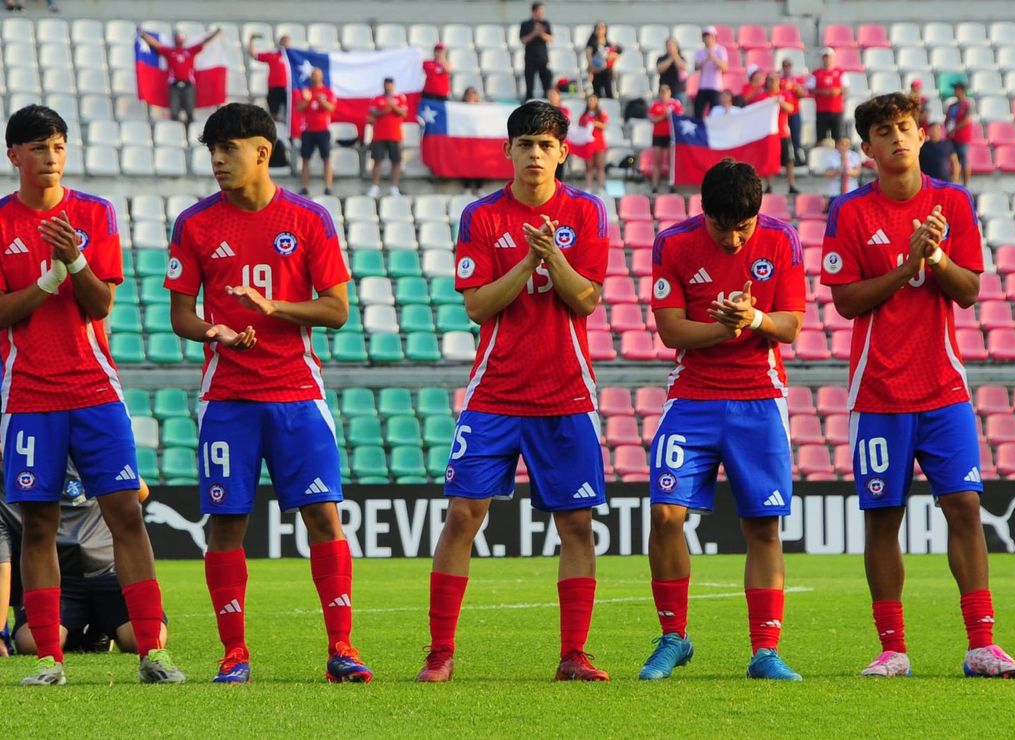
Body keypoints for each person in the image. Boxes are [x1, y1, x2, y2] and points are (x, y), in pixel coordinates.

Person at [164, 102, 372, 685]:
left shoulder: (309, 218)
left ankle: (342, 649)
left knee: (323, 517)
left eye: (228, 148)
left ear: (262, 151)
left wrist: (277, 307)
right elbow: (181, 314)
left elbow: (336, 309)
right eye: (212, 150)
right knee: (226, 524)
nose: (218, 160)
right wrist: (216, 330)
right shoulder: (195, 224)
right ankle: (234, 655)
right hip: (227, 397)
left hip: (297, 393)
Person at [820, 92, 1015, 680]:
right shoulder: (850, 212)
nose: (898, 139)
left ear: (920, 134)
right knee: (883, 517)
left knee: (964, 506)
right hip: (879, 392)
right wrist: (906, 268)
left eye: (905, 127)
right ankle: (892, 649)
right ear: (867, 148)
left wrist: (932, 257)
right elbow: (844, 302)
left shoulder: (952, 202)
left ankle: (982, 644)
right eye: (884, 131)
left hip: (942, 388)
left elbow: (968, 291)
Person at [417, 101, 610, 684]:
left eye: (545, 145)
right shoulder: (480, 216)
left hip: (565, 393)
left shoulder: (588, 212)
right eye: (524, 144)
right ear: (508, 152)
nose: (534, 155)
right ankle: (441, 652)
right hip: (495, 392)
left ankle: (574, 654)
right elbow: (477, 305)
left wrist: (555, 257)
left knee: (576, 524)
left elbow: (587, 300)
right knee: (462, 516)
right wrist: (530, 262)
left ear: (562, 153)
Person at [0, 104, 182, 686]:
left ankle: (153, 651)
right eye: (37, 148)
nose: (50, 157)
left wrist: (73, 258)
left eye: (57, 146)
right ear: (14, 158)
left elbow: (101, 303)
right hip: (28, 392)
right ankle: (51, 661)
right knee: (38, 522)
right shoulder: (1, 221)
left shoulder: (95, 213)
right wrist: (48, 279)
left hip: (94, 387)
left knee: (126, 512)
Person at [640, 158, 806, 682]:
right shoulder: (673, 243)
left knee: (761, 526)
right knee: (666, 514)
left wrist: (754, 318)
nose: (734, 240)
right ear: (703, 212)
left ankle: (765, 651)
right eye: (722, 226)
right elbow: (670, 331)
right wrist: (727, 328)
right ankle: (674, 637)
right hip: (692, 398)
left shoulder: (782, 241)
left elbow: (792, 324)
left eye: (744, 227)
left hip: (759, 398)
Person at [0, 468, 168, 657]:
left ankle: (100, 628)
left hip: (110, 573)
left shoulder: (90, 455)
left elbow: (141, 492)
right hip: (57, 580)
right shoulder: (17, 479)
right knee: (31, 644)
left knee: (149, 640)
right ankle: (81, 635)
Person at [138, 27, 222, 128]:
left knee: (190, 113)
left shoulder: (190, 51)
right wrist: (144, 35)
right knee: (174, 113)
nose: (179, 39)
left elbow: (204, 42)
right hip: (174, 86)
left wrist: (215, 34)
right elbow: (156, 44)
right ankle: (177, 133)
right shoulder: (169, 52)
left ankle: (189, 133)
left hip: (189, 86)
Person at [755, 72, 799, 195]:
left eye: (774, 79)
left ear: (779, 81)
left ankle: (791, 185)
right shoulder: (763, 97)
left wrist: (780, 102)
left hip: (783, 133)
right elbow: (757, 112)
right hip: (769, 133)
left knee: (789, 160)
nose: (772, 82)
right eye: (770, 80)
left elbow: (791, 109)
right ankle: (769, 186)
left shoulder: (784, 94)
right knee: (769, 159)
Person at [296, 67, 337, 196]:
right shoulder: (306, 91)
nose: (314, 77)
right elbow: (298, 108)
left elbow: (331, 108)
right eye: (312, 74)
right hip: (308, 130)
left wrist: (322, 102)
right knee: (305, 159)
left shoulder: (327, 91)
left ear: (321, 77)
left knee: (326, 158)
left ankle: (328, 186)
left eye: (316, 74)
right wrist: (306, 100)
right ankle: (304, 186)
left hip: (323, 130)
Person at [366, 77, 407, 198]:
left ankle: (394, 187)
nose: (388, 87)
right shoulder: (376, 98)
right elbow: (372, 114)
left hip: (395, 135)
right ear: (383, 85)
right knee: (377, 161)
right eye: (386, 85)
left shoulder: (400, 98)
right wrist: (387, 109)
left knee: (396, 161)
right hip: (379, 135)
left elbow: (404, 113)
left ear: (393, 86)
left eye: (390, 85)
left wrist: (393, 107)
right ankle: (374, 187)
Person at [648, 84, 683, 193]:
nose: (664, 95)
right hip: (658, 135)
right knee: (657, 161)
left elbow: (680, 118)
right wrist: (664, 116)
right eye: (662, 92)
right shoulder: (655, 105)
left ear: (669, 93)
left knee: (670, 161)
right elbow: (652, 119)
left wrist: (670, 116)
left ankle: (671, 185)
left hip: (671, 135)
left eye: (666, 92)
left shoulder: (675, 104)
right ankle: (654, 186)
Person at [248, 33, 291, 121]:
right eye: (283, 42)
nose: (285, 44)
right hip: (274, 87)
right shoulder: (273, 55)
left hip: (288, 88)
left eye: (287, 42)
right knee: (273, 113)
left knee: (290, 113)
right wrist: (251, 40)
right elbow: (253, 54)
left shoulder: (293, 57)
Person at [808, 47, 846, 143]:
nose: (827, 59)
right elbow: (810, 89)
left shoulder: (840, 72)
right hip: (821, 110)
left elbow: (845, 88)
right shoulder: (816, 73)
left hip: (836, 110)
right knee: (821, 137)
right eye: (825, 57)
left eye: (829, 57)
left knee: (838, 137)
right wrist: (824, 92)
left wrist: (837, 91)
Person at [520, 2, 554, 101]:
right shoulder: (525, 24)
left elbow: (551, 38)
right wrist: (534, 33)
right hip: (530, 58)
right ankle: (528, 102)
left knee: (546, 83)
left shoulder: (545, 24)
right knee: (529, 83)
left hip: (542, 57)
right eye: (540, 11)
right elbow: (523, 40)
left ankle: (546, 103)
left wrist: (541, 33)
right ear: (534, 12)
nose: (542, 13)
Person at [693, 26, 728, 118]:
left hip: (716, 86)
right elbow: (696, 67)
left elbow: (724, 67)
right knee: (698, 111)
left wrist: (713, 58)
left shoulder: (720, 50)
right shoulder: (700, 51)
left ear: (714, 37)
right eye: (705, 37)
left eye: (709, 36)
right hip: (703, 85)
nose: (707, 39)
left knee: (715, 112)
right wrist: (706, 59)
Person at [944, 83, 973, 186]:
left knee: (963, 160)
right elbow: (947, 119)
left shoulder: (967, 105)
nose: (955, 92)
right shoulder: (952, 105)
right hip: (951, 137)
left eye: (957, 89)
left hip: (962, 137)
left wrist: (955, 129)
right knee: (952, 160)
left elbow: (967, 120)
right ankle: (953, 182)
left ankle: (966, 184)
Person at [578, 94, 608, 192]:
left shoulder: (601, 114)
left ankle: (600, 188)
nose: (591, 102)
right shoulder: (584, 115)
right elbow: (580, 128)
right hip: (588, 144)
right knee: (589, 167)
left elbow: (604, 126)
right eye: (590, 100)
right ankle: (588, 188)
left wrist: (595, 123)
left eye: (593, 100)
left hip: (599, 144)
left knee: (600, 167)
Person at [780, 59, 806, 162]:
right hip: (783, 114)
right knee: (783, 138)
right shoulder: (779, 80)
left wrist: (795, 88)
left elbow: (803, 94)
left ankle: (798, 159)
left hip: (794, 112)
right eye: (785, 66)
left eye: (789, 66)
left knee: (796, 137)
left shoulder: (796, 80)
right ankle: (784, 160)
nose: (787, 68)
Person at [585, 22, 620, 99]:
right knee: (597, 94)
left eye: (602, 29)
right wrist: (592, 68)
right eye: (598, 29)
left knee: (609, 92)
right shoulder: (591, 43)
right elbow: (588, 56)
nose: (600, 31)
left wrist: (613, 67)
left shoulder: (608, 43)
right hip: (596, 71)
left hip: (606, 71)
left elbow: (615, 56)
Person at [460, 88, 486, 191]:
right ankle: (467, 186)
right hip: (465, 141)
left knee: (480, 161)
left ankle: (479, 186)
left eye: (473, 94)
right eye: (469, 94)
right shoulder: (459, 110)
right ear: (465, 97)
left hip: (478, 141)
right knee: (465, 161)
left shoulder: (482, 110)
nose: (471, 97)